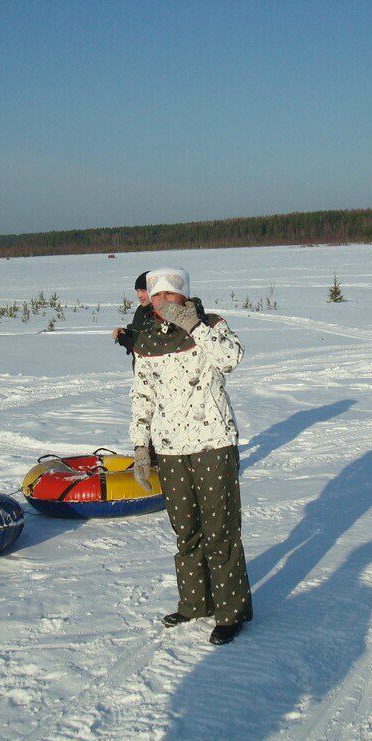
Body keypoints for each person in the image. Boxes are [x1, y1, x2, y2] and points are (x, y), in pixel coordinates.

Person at [129, 266, 253, 645]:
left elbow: (230, 358)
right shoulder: (146, 338)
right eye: (157, 295)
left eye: (170, 294)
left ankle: (231, 612)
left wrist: (193, 325)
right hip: (169, 448)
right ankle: (195, 603)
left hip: (213, 442)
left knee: (220, 530)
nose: (163, 302)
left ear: (184, 294)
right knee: (185, 530)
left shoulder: (210, 324)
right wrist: (140, 445)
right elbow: (142, 394)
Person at [113, 271, 153, 367]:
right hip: (140, 367)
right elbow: (138, 330)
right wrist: (126, 332)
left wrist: (128, 342)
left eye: (143, 291)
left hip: (155, 368)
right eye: (137, 291)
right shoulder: (141, 309)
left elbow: (152, 347)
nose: (139, 295)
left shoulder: (159, 314)